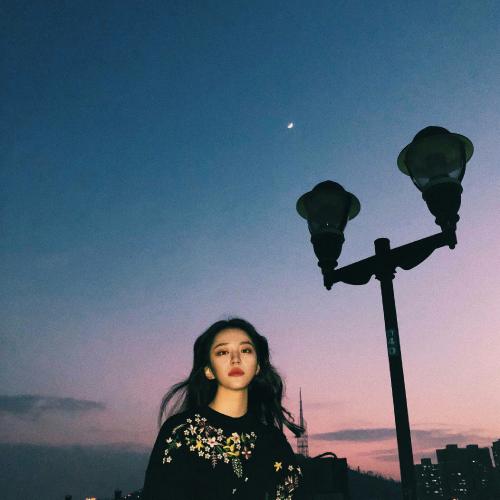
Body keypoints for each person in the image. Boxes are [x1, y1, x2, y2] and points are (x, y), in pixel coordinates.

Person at [142, 317, 305, 499]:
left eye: (245, 350)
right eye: (222, 352)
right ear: (209, 370)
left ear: (257, 366)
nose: (235, 359)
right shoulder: (181, 432)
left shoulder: (272, 441)